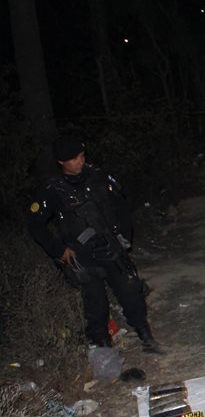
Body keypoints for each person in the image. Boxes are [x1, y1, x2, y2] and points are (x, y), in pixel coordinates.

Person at [27, 138, 162, 353]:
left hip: (110, 246)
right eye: (73, 159)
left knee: (131, 292)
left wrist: (124, 237)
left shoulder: (98, 177)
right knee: (96, 304)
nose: (79, 162)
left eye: (81, 156)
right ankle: (104, 348)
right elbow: (35, 225)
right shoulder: (51, 190)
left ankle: (146, 336)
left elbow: (121, 206)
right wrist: (59, 250)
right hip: (82, 254)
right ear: (61, 161)